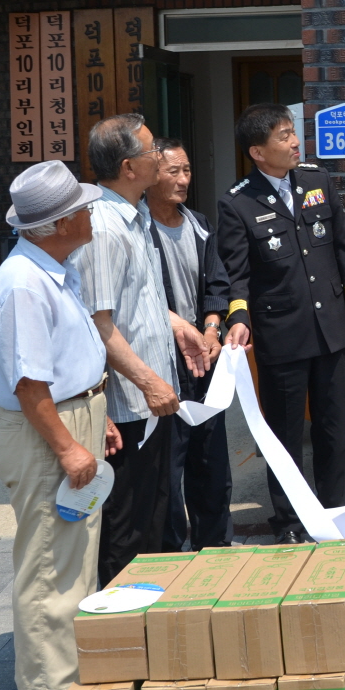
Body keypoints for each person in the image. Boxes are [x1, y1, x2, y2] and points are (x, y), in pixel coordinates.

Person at [0, 161, 118, 690]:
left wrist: (96, 415)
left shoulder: (55, 268)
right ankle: (48, 689)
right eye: (83, 209)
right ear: (61, 224)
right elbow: (29, 384)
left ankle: (70, 676)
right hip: (46, 428)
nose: (90, 216)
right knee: (49, 564)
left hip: (71, 415)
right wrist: (67, 445)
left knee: (74, 557)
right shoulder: (23, 282)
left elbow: (64, 361)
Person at [216, 103, 345, 543]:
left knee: (332, 429)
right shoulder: (238, 202)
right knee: (284, 436)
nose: (294, 142)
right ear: (258, 152)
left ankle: (338, 513)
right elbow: (236, 273)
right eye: (283, 136)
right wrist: (238, 317)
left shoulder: (316, 181)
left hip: (330, 330)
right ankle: (290, 522)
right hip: (282, 335)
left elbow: (342, 248)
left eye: (292, 132)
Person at [74, 113, 208, 583]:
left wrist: (177, 325)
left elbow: (137, 300)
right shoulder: (105, 228)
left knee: (157, 519)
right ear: (129, 168)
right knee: (127, 531)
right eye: (152, 152)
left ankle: (153, 610)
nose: (160, 158)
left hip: (153, 401)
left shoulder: (137, 217)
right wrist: (150, 382)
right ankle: (123, 617)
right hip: (130, 408)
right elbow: (99, 323)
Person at [148, 137, 231, 550]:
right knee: (168, 468)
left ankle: (215, 549)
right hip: (162, 363)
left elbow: (217, 285)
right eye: (173, 171)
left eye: (187, 170)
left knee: (212, 461)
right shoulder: (136, 229)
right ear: (151, 175)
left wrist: (212, 330)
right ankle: (172, 556)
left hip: (204, 359)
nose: (183, 179)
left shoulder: (199, 223)